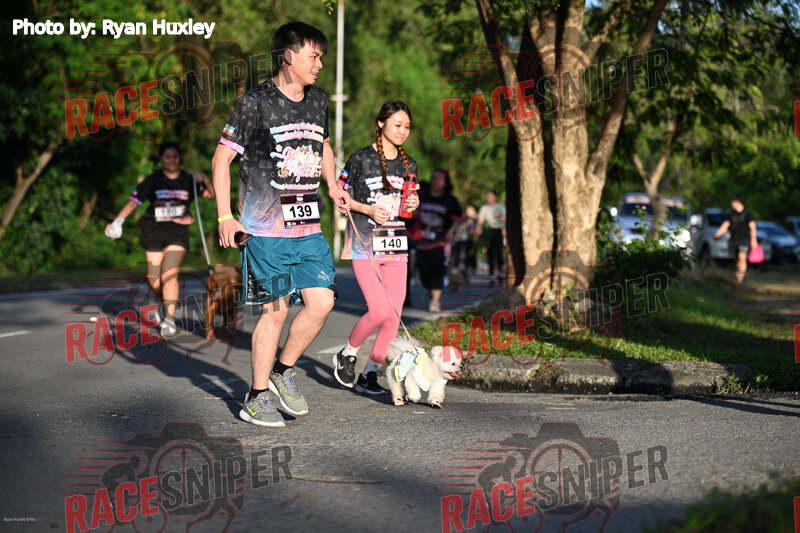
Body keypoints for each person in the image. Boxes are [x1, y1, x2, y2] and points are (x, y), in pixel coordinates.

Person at [212, 21, 350, 428]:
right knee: (275, 312)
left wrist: (333, 184)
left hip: (308, 226)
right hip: (265, 228)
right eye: (314, 56)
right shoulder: (255, 103)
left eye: (322, 57)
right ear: (288, 56)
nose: (319, 64)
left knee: (322, 302)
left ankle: (282, 370)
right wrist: (225, 217)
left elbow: (323, 145)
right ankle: (255, 397)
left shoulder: (318, 101)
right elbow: (221, 159)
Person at [331, 101, 420, 394]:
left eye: (407, 126)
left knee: (394, 315)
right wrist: (367, 209)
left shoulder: (410, 164)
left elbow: (408, 209)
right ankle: (347, 352)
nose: (403, 131)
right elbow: (339, 195)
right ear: (381, 123)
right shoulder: (360, 159)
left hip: (396, 245)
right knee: (379, 309)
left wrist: (414, 203)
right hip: (365, 243)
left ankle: (370, 374)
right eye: (397, 125)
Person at [105, 141, 215, 338]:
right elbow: (134, 202)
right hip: (153, 231)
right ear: (162, 159)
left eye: (175, 157)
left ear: (180, 158)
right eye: (167, 157)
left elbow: (212, 195)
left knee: (169, 275)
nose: (172, 160)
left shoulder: (188, 180)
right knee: (154, 281)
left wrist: (205, 179)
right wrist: (117, 222)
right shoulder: (153, 179)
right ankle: (164, 304)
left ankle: (169, 320)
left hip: (177, 234)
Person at [412, 168, 462, 312]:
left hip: (440, 242)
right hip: (421, 242)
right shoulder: (423, 195)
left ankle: (435, 301)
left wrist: (451, 231)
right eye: (434, 178)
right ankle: (432, 297)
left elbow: (458, 219)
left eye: (440, 179)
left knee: (437, 271)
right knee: (423, 272)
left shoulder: (450, 200)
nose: (436, 182)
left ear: (446, 183)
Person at [714, 194, 757, 284]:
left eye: (733, 202)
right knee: (736, 259)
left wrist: (754, 239)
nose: (731, 204)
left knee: (742, 257)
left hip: (744, 239)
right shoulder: (732, 213)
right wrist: (718, 234)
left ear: (738, 202)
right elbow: (726, 224)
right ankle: (738, 276)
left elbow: (752, 226)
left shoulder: (747, 213)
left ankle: (740, 278)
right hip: (733, 240)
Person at [477, 189, 507, 286]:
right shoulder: (484, 208)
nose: (489, 198)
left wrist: (504, 236)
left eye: (491, 196)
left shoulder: (500, 207)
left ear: (496, 197)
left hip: (498, 231)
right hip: (488, 232)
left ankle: (500, 275)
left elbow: (504, 221)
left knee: (499, 253)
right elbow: (480, 221)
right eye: (488, 196)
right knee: (489, 254)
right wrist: (478, 233)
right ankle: (491, 277)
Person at [451, 204, 478, 279]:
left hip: (470, 239)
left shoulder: (476, 219)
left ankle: (469, 268)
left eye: (471, 210)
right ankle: (458, 268)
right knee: (459, 253)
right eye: (468, 210)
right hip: (462, 238)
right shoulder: (464, 218)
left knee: (470, 254)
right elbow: (461, 226)